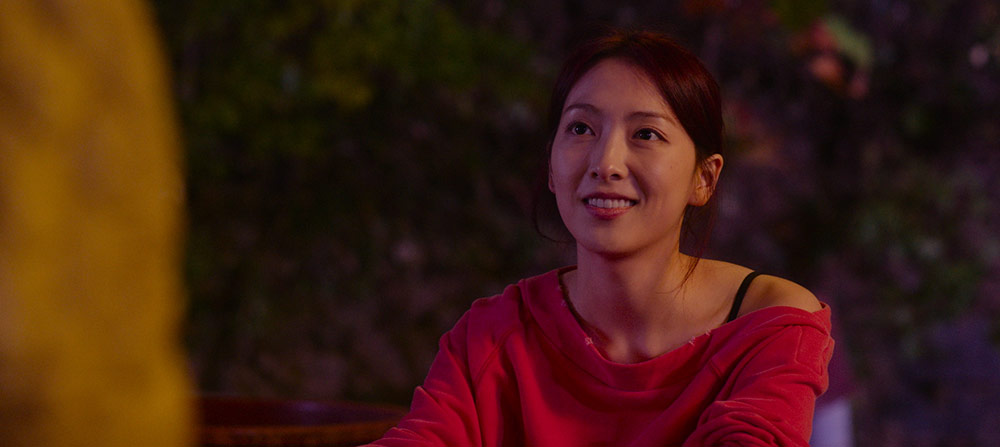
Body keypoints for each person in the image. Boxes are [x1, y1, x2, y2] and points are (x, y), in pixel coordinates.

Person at [366, 29, 834, 447]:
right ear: (552, 166)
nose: (606, 162)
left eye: (646, 133)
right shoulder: (493, 335)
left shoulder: (769, 322)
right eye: (581, 128)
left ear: (704, 178)